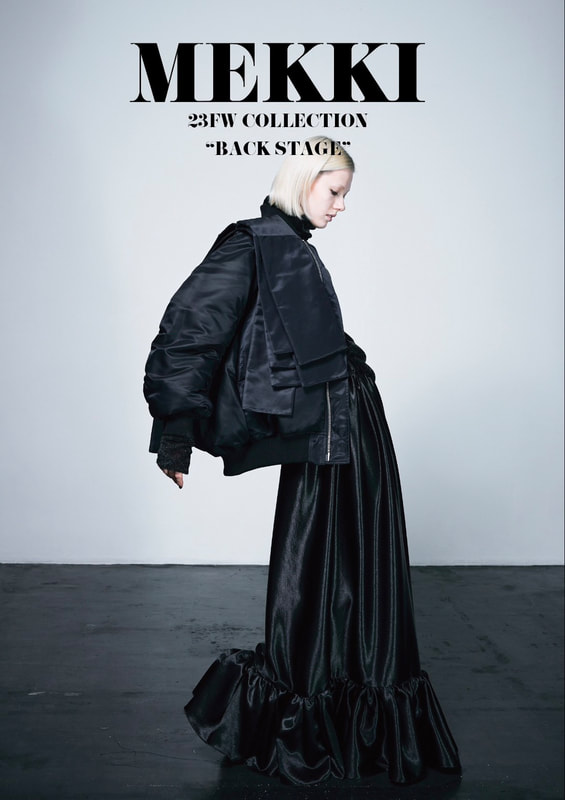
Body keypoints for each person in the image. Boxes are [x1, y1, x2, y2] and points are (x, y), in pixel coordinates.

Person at [143, 136, 461, 786]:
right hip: (326, 434)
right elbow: (190, 330)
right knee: (314, 566)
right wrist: (175, 433)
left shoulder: (289, 246)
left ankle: (351, 688)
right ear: (303, 179)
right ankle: (315, 696)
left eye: (346, 195)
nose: (341, 206)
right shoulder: (252, 241)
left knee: (355, 567)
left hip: (351, 428)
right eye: (334, 191)